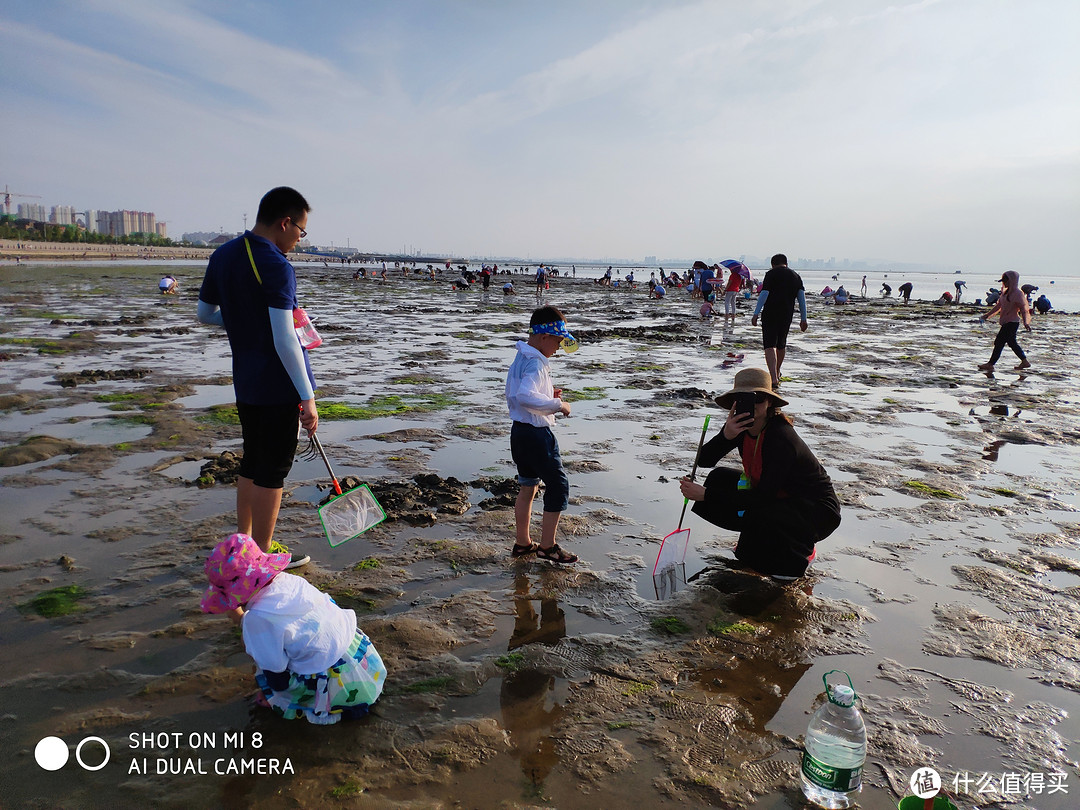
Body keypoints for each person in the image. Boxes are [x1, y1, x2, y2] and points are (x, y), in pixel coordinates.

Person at [197, 186, 316, 568]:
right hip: (278, 387)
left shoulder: (223, 254)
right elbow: (285, 340)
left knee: (252, 462)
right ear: (285, 222)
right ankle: (261, 558)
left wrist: (244, 324)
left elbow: (205, 313)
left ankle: (243, 544)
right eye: (301, 230)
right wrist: (308, 396)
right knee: (273, 473)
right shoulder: (276, 264)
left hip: (246, 382)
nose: (299, 238)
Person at [201, 534, 385, 724]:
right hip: (364, 662)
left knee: (265, 672)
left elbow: (276, 676)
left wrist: (272, 692)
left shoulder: (256, 620)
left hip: (341, 685)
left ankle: (327, 706)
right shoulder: (290, 581)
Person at [679, 368, 840, 580]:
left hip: (815, 510)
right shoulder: (742, 427)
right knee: (719, 479)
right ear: (736, 402)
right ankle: (755, 540)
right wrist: (726, 435)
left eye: (759, 398)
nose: (753, 405)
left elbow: (763, 497)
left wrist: (705, 495)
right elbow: (704, 461)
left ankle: (800, 550)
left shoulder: (781, 438)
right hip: (777, 497)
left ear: (770, 403)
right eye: (744, 398)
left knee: (758, 509)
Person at [505, 306, 577, 564]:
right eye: (558, 341)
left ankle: (523, 543)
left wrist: (547, 396)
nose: (559, 348)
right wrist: (558, 405)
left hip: (519, 433)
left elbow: (516, 393)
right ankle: (548, 546)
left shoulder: (523, 356)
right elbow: (525, 396)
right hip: (537, 435)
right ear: (545, 337)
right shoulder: (536, 362)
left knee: (528, 486)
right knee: (558, 485)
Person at [751, 254, 807, 387]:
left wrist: (756, 313)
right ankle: (777, 371)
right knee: (781, 344)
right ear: (786, 263)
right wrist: (803, 318)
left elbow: (764, 294)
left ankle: (773, 377)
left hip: (770, 313)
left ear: (773, 264)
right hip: (786, 314)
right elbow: (801, 298)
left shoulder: (771, 274)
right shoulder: (796, 276)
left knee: (769, 345)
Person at [979, 270, 1032, 371]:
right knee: (1012, 343)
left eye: (1006, 281)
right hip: (1006, 322)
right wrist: (987, 315)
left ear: (1012, 281)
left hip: (1012, 322)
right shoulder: (1005, 293)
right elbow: (999, 306)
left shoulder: (1017, 293)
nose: (1004, 283)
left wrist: (1026, 322)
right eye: (1003, 281)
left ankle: (990, 364)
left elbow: (1023, 309)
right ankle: (1024, 361)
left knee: (999, 342)